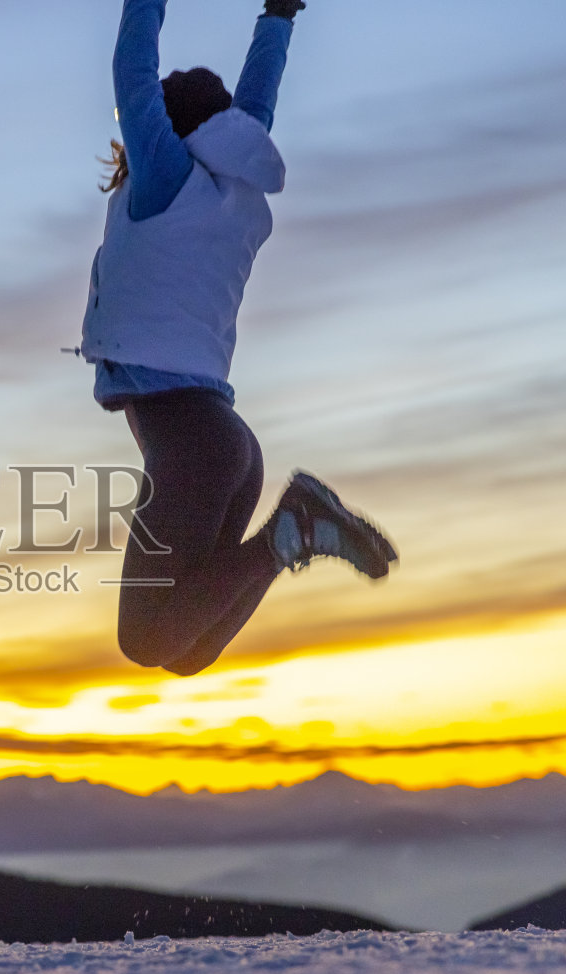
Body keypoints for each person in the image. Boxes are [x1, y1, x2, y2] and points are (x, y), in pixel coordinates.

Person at [81, 0, 397, 677]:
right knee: (185, 650)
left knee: (146, 640)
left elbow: (131, 73)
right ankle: (288, 532)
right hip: (221, 444)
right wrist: (278, 15)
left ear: (165, 129)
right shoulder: (237, 191)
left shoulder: (166, 180)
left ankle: (296, 529)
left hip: (194, 443)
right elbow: (257, 107)